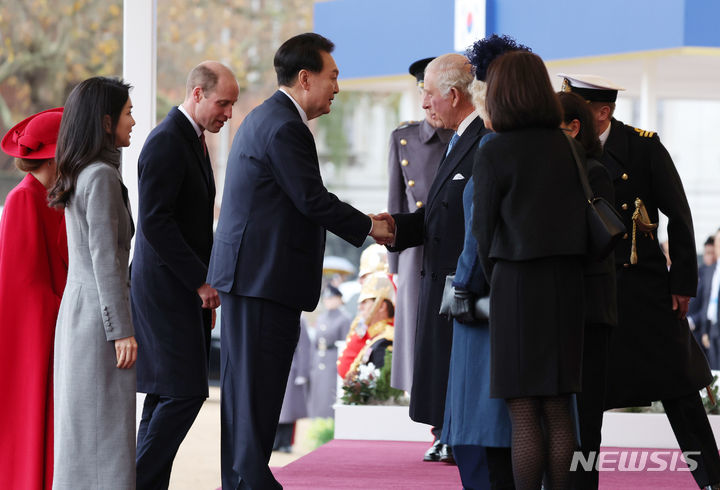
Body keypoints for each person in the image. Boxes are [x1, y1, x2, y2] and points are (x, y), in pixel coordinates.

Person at [206, 32, 393, 490]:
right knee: (256, 396)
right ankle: (250, 481)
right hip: (262, 282)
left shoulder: (268, 117)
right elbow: (312, 199)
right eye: (333, 77)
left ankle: (244, 479)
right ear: (305, 78)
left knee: (249, 397)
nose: (337, 87)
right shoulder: (284, 125)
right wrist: (372, 226)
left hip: (256, 280)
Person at [562, 73, 720, 489]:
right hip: (589, 290)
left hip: (645, 290)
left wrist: (683, 283)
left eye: (575, 105)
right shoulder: (563, 147)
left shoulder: (643, 146)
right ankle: (581, 483)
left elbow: (679, 215)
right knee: (586, 398)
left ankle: (711, 478)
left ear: (602, 112)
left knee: (679, 387)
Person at [472, 52, 589, 490]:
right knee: (559, 410)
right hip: (566, 284)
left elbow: (483, 233)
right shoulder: (567, 145)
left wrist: (496, 278)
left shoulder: (495, 150)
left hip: (516, 286)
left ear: (501, 94)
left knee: (523, 412)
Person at [131, 61, 238, 490]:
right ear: (197, 93)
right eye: (223, 103)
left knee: (163, 394)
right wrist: (201, 280)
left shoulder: (190, 139)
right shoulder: (166, 142)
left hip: (178, 289)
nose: (228, 113)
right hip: (166, 290)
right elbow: (155, 223)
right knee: (184, 392)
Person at [380, 52, 489, 463]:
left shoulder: (481, 140)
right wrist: (393, 228)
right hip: (441, 280)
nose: (423, 104)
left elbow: (476, 222)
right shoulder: (461, 138)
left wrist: (464, 280)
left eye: (428, 95)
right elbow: (437, 212)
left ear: (455, 95)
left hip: (464, 285)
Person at [441, 34, 529, 490]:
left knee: (480, 433)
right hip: (543, 309)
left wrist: (460, 288)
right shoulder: (562, 152)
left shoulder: (491, 155)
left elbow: (476, 241)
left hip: (489, 309)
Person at [49, 76, 137, 490]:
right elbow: (105, 259)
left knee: (83, 435)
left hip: (80, 312)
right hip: (100, 321)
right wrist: (121, 331)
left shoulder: (84, 171)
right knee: (105, 437)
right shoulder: (100, 175)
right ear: (106, 122)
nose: (133, 121)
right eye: (127, 113)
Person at [0, 108, 67, 490]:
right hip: (35, 333)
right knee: (33, 417)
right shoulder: (25, 198)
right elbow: (25, 283)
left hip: (52, 325)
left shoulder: (50, 197)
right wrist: (71, 309)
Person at [558, 90, 617, 490]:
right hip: (560, 308)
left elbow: (594, 244)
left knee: (586, 418)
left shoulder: (592, 172)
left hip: (588, 312)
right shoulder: (553, 167)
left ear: (573, 127)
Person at [387, 57, 454, 394]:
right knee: (416, 334)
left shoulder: (467, 135)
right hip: (415, 252)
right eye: (422, 94)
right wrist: (393, 268)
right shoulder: (404, 136)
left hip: (455, 248)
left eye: (434, 94)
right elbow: (396, 204)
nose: (427, 104)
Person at [341, 271, 395, 382]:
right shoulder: (373, 333)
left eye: (365, 302)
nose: (360, 307)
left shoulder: (387, 339)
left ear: (381, 306)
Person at [307, 285, 351, 418]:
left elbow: (345, 345)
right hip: (319, 359)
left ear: (339, 299)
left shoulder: (344, 318)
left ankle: (329, 425)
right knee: (317, 397)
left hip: (333, 360)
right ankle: (317, 426)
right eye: (326, 298)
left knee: (328, 396)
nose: (328, 301)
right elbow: (315, 343)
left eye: (331, 298)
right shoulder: (321, 318)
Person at [274, 317, 311, 453]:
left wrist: (302, 372)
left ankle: (286, 442)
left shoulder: (300, 320)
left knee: (288, 410)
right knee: (274, 408)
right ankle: (275, 442)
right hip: (274, 366)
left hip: (291, 367)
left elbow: (304, 346)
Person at [689, 234, 717, 351]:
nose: (709, 257)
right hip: (694, 330)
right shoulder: (699, 272)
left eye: (712, 253)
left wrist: (694, 320)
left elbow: (709, 304)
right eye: (706, 253)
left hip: (707, 328)